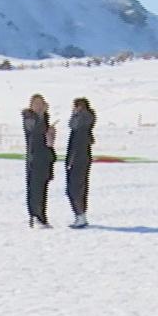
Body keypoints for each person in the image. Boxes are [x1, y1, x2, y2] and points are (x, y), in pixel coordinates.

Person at [22, 94, 56, 228]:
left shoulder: (44, 117)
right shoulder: (29, 117)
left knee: (43, 187)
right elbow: (34, 130)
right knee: (35, 187)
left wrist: (51, 135)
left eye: (41, 103)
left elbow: (45, 137)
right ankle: (35, 215)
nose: (39, 106)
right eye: (36, 103)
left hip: (45, 157)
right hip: (34, 157)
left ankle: (42, 216)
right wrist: (41, 116)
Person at [65, 97, 95, 228]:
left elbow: (78, 145)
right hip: (78, 158)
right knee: (75, 188)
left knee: (75, 188)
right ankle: (80, 215)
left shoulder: (82, 123)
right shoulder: (81, 125)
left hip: (79, 159)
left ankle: (80, 215)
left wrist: (72, 159)